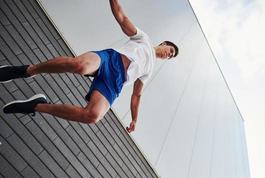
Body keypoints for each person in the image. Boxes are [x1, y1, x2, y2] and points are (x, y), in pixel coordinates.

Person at [0, 0, 179, 133]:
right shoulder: (144, 39)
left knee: (92, 116)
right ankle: (28, 70)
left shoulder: (148, 71)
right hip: (111, 59)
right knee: (79, 65)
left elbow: (136, 95)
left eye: (170, 56)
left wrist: (134, 120)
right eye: (169, 49)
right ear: (163, 43)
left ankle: (36, 106)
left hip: (115, 83)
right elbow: (122, 17)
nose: (168, 54)